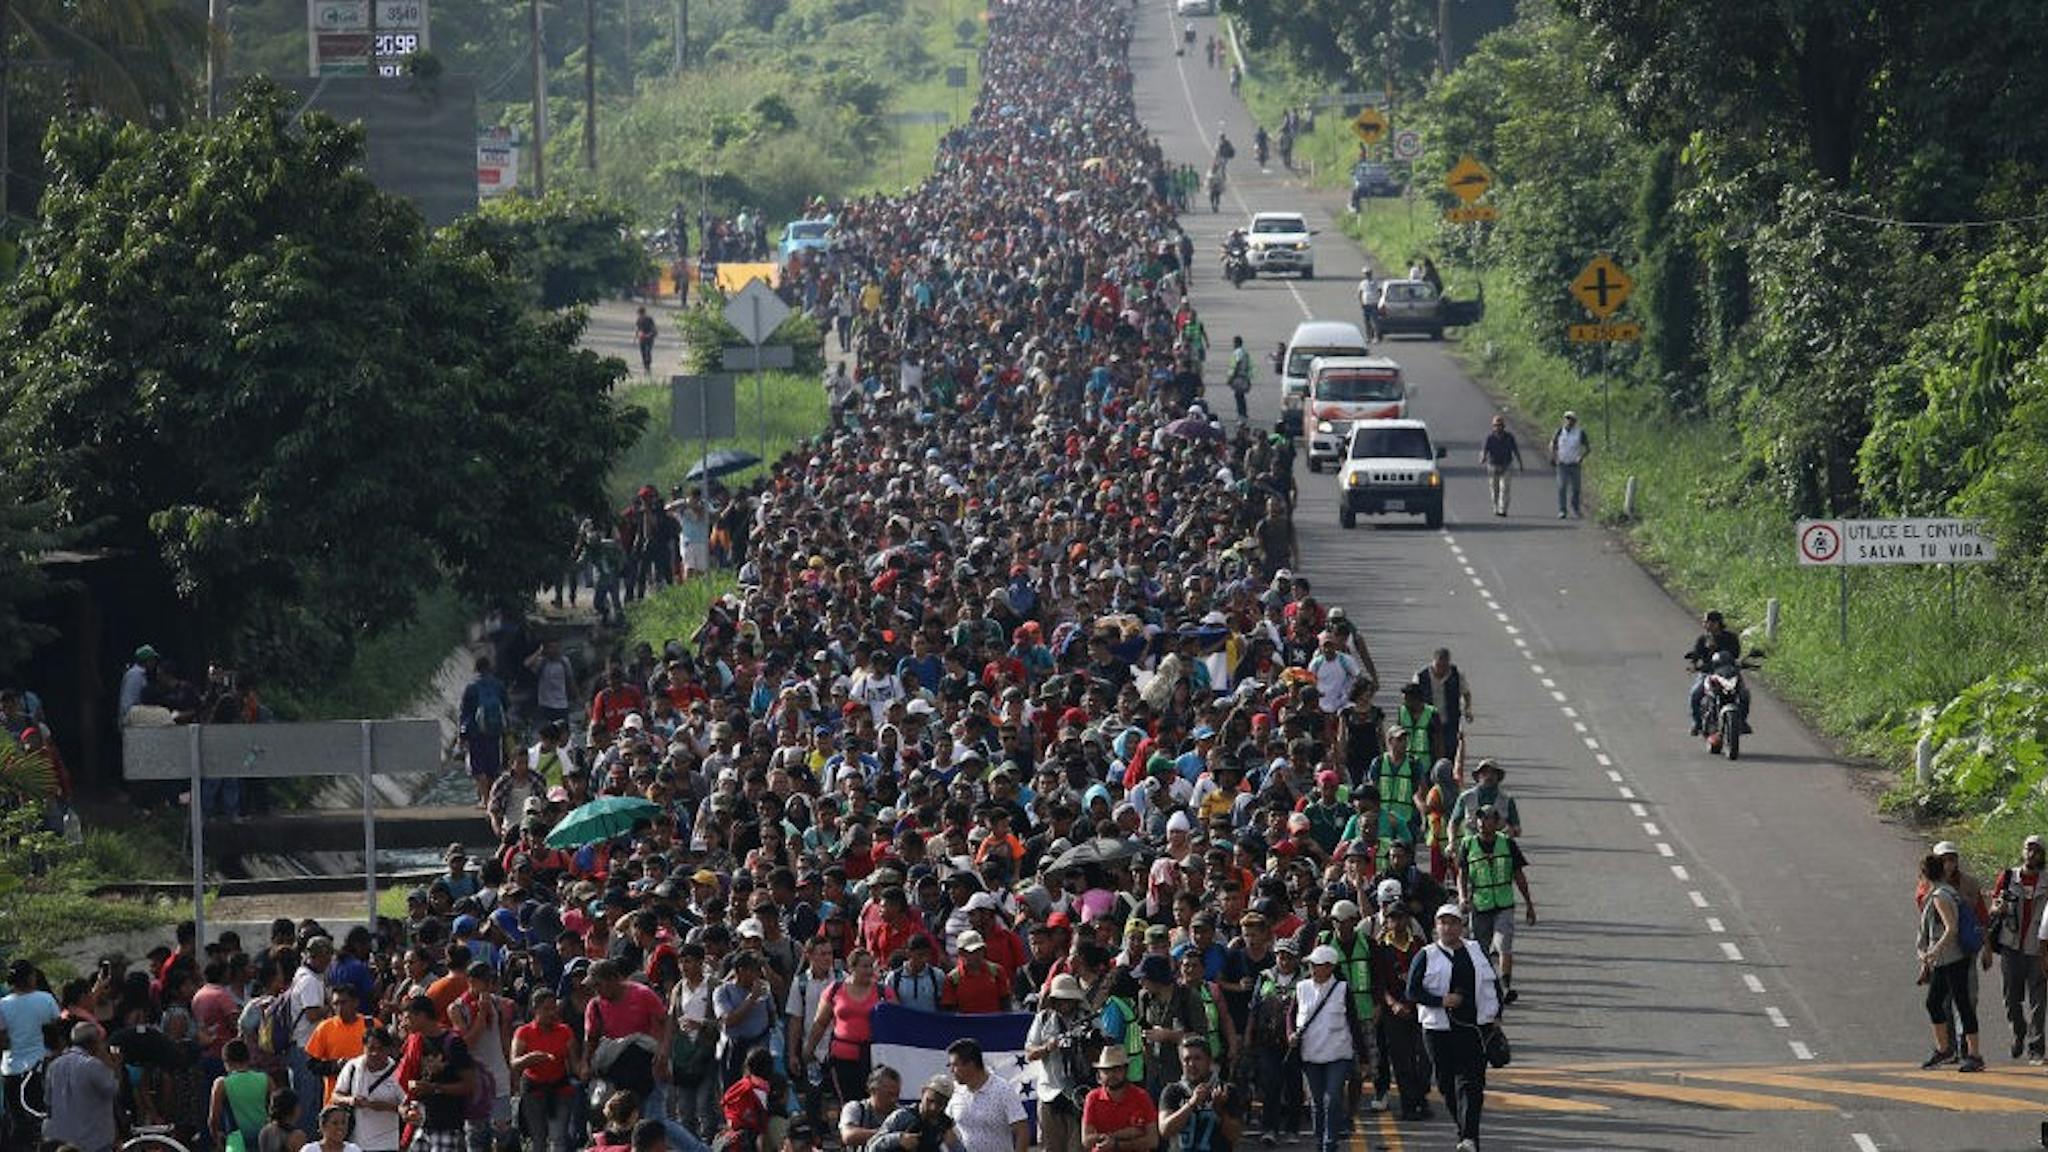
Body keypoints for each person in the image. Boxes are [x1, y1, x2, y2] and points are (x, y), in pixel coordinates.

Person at [1407, 905, 1500, 1152]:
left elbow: (1493, 984)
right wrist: (1440, 1001)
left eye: (1453, 922)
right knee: (1447, 1084)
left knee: (1471, 1084)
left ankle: (1470, 1138)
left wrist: (1497, 1014)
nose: (1447, 927)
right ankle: (1465, 1133)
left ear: (1462, 926)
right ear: (1436, 927)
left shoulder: (1476, 949)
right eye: (1442, 923)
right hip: (1438, 1030)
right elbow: (1412, 991)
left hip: (1473, 1028)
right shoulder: (1426, 955)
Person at [1456, 807, 1534, 1004]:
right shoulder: (1468, 844)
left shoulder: (1507, 843)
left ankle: (1506, 985)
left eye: (1489, 818)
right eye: (1480, 818)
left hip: (1503, 903)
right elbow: (1462, 875)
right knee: (1480, 949)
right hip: (1480, 905)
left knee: (1502, 944)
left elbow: (1518, 875)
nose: (1483, 822)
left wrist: (1529, 904)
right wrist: (1462, 897)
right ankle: (1486, 986)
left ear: (1497, 822)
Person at [1917, 852, 1985, 1072]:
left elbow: (1951, 928)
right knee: (1938, 1002)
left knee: (1959, 1004)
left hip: (1951, 959)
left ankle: (1971, 1053)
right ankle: (1946, 1048)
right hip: (1951, 958)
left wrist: (1933, 951)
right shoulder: (1949, 892)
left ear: (1924, 874)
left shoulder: (1940, 896)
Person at [1289, 947, 1352, 1152]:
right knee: (1316, 1101)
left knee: (1332, 1098)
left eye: (1317, 965)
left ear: (1330, 967)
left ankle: (1329, 1143)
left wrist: (1365, 1058)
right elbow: (1290, 1016)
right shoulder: (1302, 988)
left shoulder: (1342, 989)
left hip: (1337, 1053)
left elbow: (1354, 1024)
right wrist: (1290, 1034)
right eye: (1311, 965)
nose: (1313, 969)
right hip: (1310, 1054)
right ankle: (1319, 1139)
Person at [1995, 835, 2048, 1061]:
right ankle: (2018, 1032)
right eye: (2028, 849)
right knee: (2011, 997)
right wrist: (1999, 908)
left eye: (2037, 850)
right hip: (2011, 945)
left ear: (2043, 855)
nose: (2031, 854)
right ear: (2022, 851)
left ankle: (2037, 1046)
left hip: (2038, 948)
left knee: (2038, 999)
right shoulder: (2008, 877)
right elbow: (1993, 907)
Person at [1024, 975, 1090, 1152]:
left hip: (1079, 1092)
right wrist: (1048, 1047)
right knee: (1050, 1147)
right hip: (1050, 1091)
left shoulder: (1088, 1018)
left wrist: (1084, 1043)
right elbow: (1029, 1053)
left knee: (1078, 1146)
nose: (1064, 1004)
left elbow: (1102, 1047)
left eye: (1068, 999)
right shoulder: (1043, 1019)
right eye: (1060, 999)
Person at [1, 958, 60, 1152]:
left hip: (11, 1070)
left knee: (17, 1121)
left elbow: (3, 1041)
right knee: (43, 1120)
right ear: (30, 977)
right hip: (39, 1068)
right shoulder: (45, 999)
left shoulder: (3, 1005)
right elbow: (55, 1031)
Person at [44, 1021, 121, 1152]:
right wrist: (115, 1066)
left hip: (63, 1141)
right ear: (94, 1043)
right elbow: (113, 1090)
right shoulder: (93, 1065)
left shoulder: (54, 1066)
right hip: (94, 1140)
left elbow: (48, 1102)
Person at [1155, 1037, 1239, 1152]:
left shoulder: (1226, 1090)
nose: (1191, 1064)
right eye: (1186, 1059)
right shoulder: (1172, 1091)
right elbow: (1165, 1130)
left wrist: (1220, 1111)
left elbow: (1234, 1136)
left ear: (1209, 1061)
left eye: (1197, 1059)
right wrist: (1191, 1104)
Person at [942, 1039, 1027, 1152]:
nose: (952, 1071)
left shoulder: (1003, 1090)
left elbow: (1022, 1131)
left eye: (955, 1065)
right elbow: (945, 1125)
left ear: (970, 1064)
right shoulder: (955, 1091)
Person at [331, 1026, 405, 1152]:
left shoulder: (399, 1072)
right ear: (364, 1048)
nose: (375, 1054)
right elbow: (336, 1096)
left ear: (388, 1050)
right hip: (356, 1144)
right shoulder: (352, 1067)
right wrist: (351, 1100)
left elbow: (406, 1108)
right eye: (371, 1049)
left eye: (380, 1049)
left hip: (387, 1144)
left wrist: (380, 1106)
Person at [1684, 611, 1749, 736]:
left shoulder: (1731, 638)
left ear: (1717, 623)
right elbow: (1696, 654)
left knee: (1744, 695)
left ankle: (1742, 722)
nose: (1706, 625)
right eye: (1705, 622)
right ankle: (1697, 723)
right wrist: (1693, 665)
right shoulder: (1703, 639)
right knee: (1695, 694)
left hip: (1729, 672)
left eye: (1709, 622)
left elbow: (1736, 654)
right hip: (1708, 673)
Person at [1078, 1049, 1156, 1152]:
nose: (1111, 1075)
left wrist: (1116, 1144)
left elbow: (1153, 1140)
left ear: (1126, 1070)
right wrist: (1124, 1134)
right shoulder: (1093, 1098)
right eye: (1106, 1071)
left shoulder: (1141, 1096)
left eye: (1116, 1070)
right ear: (1099, 1074)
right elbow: (1086, 1141)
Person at [1477, 415, 1522, 516]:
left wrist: (1520, 464)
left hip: (1506, 465)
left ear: (1503, 426)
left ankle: (1503, 509)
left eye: (1500, 425)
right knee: (1494, 489)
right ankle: (1496, 507)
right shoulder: (1489, 438)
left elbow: (1515, 450)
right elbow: (1484, 450)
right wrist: (1483, 458)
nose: (1498, 427)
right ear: (1493, 426)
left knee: (1505, 488)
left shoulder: (1509, 437)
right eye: (1496, 425)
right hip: (1493, 466)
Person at [1549, 410, 1590, 519]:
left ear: (1575, 421)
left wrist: (1581, 457)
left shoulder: (1580, 433)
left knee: (1576, 488)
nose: (1568, 421)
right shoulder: (1559, 431)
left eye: (1571, 419)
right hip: (1562, 464)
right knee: (1562, 487)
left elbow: (1587, 448)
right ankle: (1562, 510)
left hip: (1575, 464)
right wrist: (1554, 457)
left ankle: (1575, 508)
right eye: (1567, 418)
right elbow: (1553, 444)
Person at [1224, 337, 1252, 421]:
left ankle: (1241, 414)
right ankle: (1243, 413)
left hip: (1238, 376)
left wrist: (1231, 377)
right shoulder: (1245, 352)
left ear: (1236, 343)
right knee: (1240, 395)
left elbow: (1237, 364)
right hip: (1243, 376)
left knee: (1238, 395)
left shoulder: (1238, 352)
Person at [635, 307, 658, 376]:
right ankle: (646, 366)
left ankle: (648, 366)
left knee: (648, 351)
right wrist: (637, 335)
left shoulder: (649, 319)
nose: (640, 315)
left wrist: (649, 335)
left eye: (641, 313)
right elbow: (638, 329)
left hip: (649, 338)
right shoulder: (638, 320)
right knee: (643, 353)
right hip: (642, 339)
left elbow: (653, 328)